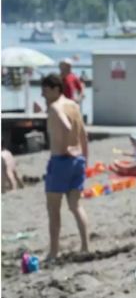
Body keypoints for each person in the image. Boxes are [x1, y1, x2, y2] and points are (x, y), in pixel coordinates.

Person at [41, 74, 89, 260]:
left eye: (45, 91)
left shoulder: (55, 107)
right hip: (78, 161)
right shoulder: (74, 105)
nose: (43, 95)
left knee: (53, 210)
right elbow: (84, 135)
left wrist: (68, 147)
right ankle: (85, 245)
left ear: (55, 89)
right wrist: (84, 158)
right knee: (76, 206)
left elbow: (67, 127)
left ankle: (53, 252)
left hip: (60, 160)